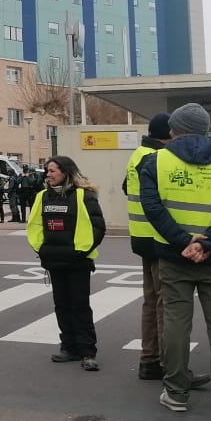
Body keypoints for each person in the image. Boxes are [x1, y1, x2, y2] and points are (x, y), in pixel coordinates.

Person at [139, 103, 211, 415]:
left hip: (174, 256)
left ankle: (176, 393)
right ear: (205, 130)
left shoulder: (156, 161)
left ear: (173, 130)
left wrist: (183, 241)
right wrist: (208, 241)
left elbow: (153, 208)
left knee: (175, 323)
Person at [27, 155, 106, 370]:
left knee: (80, 306)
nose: (48, 174)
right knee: (62, 305)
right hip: (54, 260)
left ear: (66, 172)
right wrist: (42, 249)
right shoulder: (43, 196)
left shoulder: (84, 195)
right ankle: (69, 347)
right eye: (47, 171)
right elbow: (34, 226)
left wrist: (80, 251)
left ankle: (88, 352)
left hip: (78, 262)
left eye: (52, 170)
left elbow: (98, 227)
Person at [124, 113, 171, 381]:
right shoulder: (156, 158)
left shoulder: (139, 154)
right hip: (156, 236)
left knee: (152, 300)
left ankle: (149, 360)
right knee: (165, 302)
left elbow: (125, 187)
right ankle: (167, 363)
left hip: (141, 236)